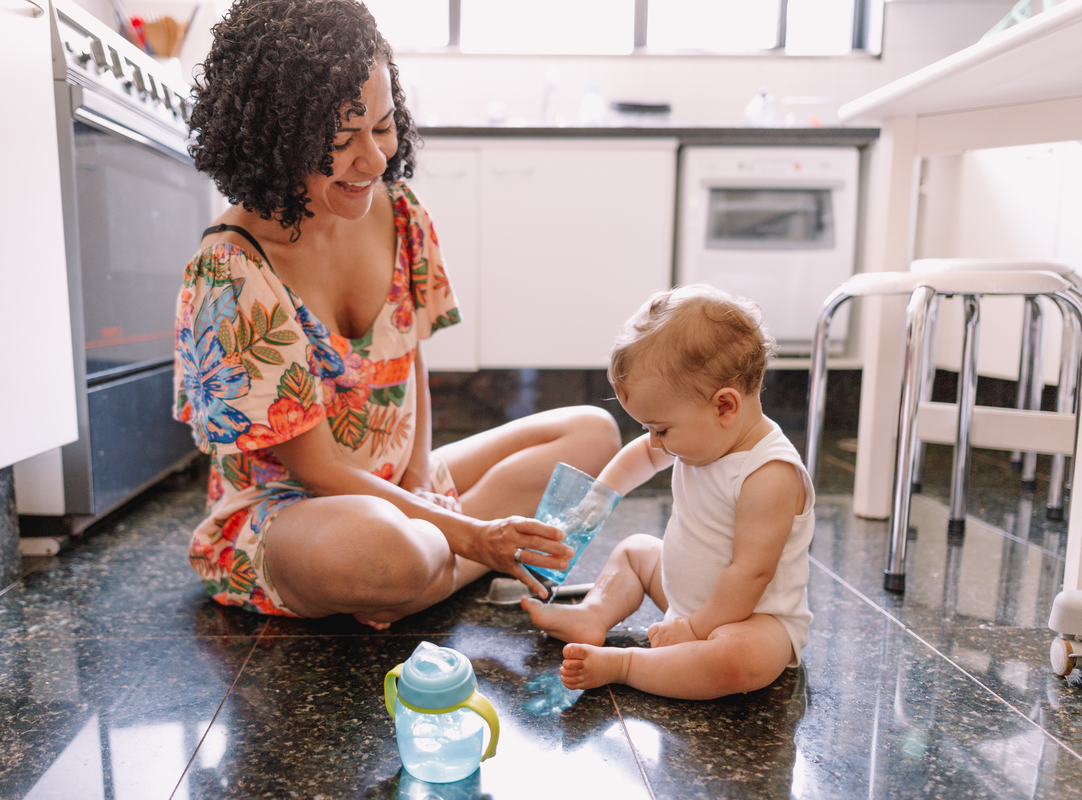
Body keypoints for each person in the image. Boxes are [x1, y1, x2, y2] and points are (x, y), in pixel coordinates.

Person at [173, 0, 620, 629]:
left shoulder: (397, 208)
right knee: (386, 550)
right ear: (273, 143)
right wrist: (470, 534)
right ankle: (448, 560)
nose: (376, 159)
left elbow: (409, 358)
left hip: (398, 484)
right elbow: (321, 471)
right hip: (296, 511)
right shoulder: (231, 268)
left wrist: (420, 481)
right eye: (339, 141)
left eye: (382, 126)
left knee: (592, 435)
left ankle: (434, 565)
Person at [522, 285, 814, 700]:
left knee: (737, 658)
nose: (654, 443)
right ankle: (593, 613)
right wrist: (599, 498)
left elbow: (751, 574)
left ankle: (627, 665)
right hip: (686, 600)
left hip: (751, 618)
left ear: (725, 406)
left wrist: (694, 630)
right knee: (635, 551)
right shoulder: (705, 433)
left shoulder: (769, 474)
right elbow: (639, 456)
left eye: (660, 429)